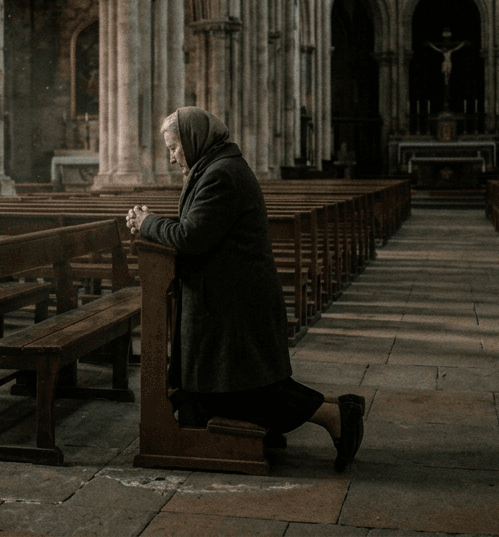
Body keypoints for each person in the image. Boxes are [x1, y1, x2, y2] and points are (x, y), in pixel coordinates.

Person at [126, 107, 365, 472]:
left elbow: (192, 236)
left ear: (193, 140)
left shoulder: (221, 175)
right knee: (235, 385)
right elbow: (201, 227)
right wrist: (153, 225)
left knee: (245, 390)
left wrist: (148, 223)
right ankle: (337, 408)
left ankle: (334, 416)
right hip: (229, 299)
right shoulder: (215, 167)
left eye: (174, 147)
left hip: (234, 305)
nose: (171, 156)